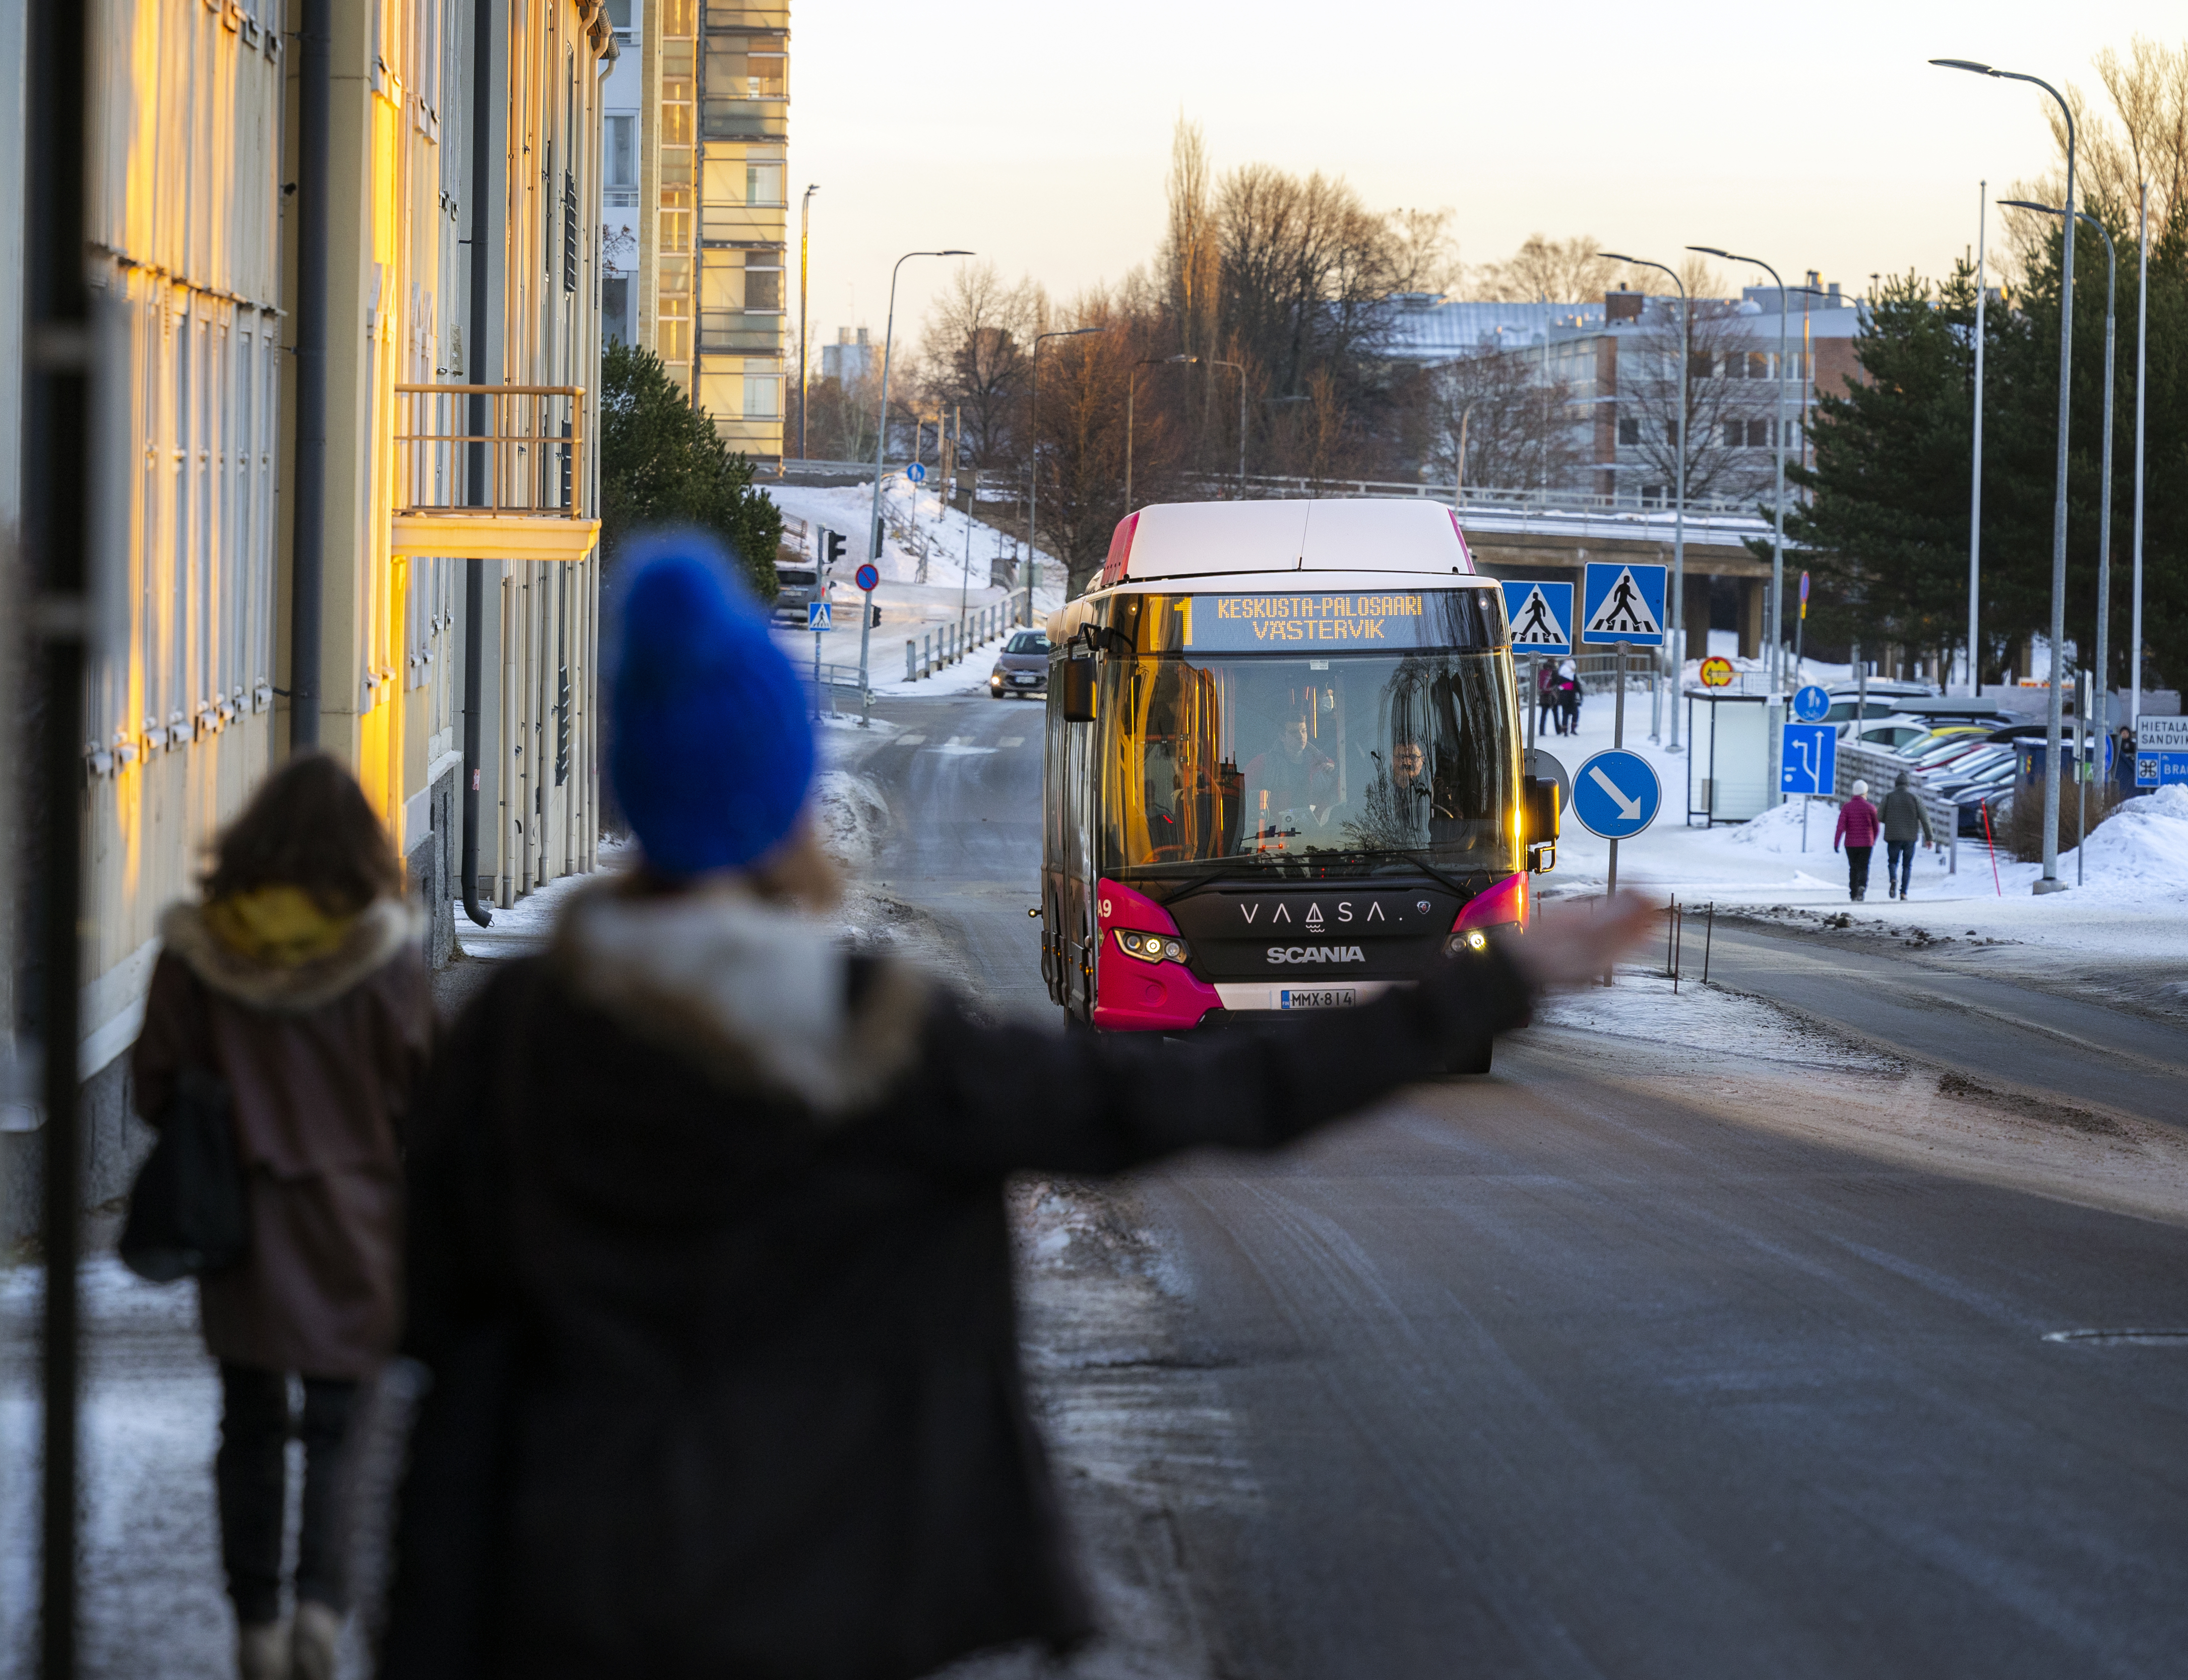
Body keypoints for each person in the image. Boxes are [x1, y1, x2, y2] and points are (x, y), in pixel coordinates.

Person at [379, 534, 1654, 1679]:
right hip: (840, 1601)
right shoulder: (890, 1042)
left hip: (555, 1596)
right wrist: (1487, 983)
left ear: (630, 796)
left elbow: (425, 1310)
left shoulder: (510, 1039)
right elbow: (1221, 1093)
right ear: (786, 805)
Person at [132, 754, 434, 1680]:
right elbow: (425, 1087)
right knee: (345, 1423)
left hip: (241, 1223)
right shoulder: (386, 960)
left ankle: (256, 1620)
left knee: (249, 1422)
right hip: (357, 1222)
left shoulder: (202, 954)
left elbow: (153, 1086)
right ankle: (320, 1605)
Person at [1243, 714, 1335, 828]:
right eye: (1294, 732)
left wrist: (1333, 771)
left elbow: (1334, 800)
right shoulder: (1263, 764)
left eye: (1304, 731)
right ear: (1282, 737)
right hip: (1273, 836)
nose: (1300, 736)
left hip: (1315, 837)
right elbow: (1241, 796)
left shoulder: (1324, 766)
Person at [1879, 770, 1932, 899]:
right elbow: (1925, 819)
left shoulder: (1889, 797)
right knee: (1907, 865)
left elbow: (1880, 816)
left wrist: (1891, 820)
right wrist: (1929, 838)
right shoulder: (1915, 798)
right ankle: (1904, 893)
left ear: (1896, 784)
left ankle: (1893, 880)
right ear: (1908, 785)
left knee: (1893, 862)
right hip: (1910, 838)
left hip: (1893, 837)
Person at [1833, 776, 1881, 902]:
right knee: (1864, 867)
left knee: (1853, 868)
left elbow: (1841, 826)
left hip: (1851, 844)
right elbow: (1877, 827)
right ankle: (1862, 887)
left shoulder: (1847, 807)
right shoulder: (1871, 808)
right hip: (1866, 843)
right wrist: (1873, 840)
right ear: (1865, 792)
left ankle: (1853, 892)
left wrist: (1836, 843)